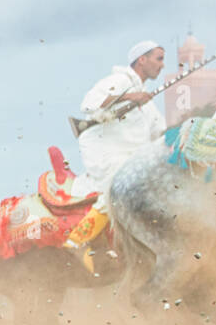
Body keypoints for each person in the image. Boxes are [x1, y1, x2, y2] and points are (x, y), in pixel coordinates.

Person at [65, 39, 167, 256]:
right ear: (142, 59)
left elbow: (161, 132)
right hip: (105, 153)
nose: (162, 65)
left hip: (132, 159)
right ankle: (75, 243)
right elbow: (90, 103)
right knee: (116, 192)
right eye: (159, 58)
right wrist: (130, 96)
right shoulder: (119, 81)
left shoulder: (146, 97)